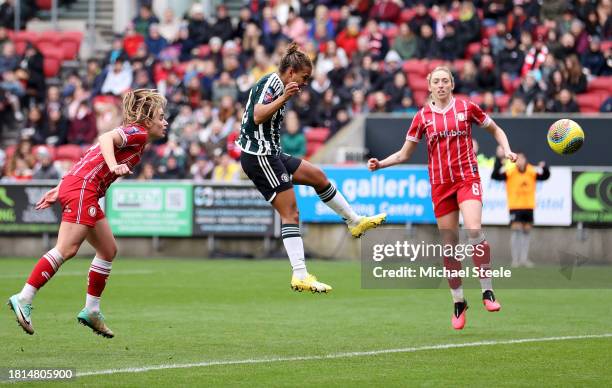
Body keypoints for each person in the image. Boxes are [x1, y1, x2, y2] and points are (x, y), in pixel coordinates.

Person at [7, 89, 168, 338]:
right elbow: (105, 138)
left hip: (82, 187)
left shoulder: (140, 139)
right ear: (147, 121)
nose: (165, 121)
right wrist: (114, 165)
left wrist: (61, 187)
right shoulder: (139, 132)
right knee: (67, 249)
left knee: (107, 249)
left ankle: (91, 310)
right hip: (84, 188)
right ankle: (24, 297)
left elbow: (90, 156)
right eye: (161, 116)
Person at [367, 66, 517, 330]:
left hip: (466, 179)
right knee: (449, 246)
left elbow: (497, 130)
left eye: (445, 80)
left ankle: (487, 291)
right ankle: (459, 302)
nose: (440, 85)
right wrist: (381, 164)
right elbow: (404, 154)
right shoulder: (422, 117)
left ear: (452, 83)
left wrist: (507, 149)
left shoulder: (467, 108)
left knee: (473, 229)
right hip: (440, 186)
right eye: (436, 81)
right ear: (429, 86)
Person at [237, 42, 386, 293]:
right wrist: (285, 97)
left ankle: (354, 221)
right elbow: (257, 115)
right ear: (292, 71)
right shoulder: (273, 83)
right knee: (291, 213)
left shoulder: (278, 84)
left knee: (318, 176)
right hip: (259, 155)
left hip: (271, 152)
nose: (306, 82)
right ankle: (300, 274)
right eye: (304, 77)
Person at [491, 150, 550, 267]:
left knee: (526, 231)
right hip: (515, 206)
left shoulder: (531, 171)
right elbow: (495, 176)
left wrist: (546, 168)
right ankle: (515, 259)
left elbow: (545, 176)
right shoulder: (510, 172)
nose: (520, 161)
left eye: (522, 158)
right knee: (516, 230)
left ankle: (524, 259)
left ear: (525, 159)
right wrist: (499, 162)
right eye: (518, 159)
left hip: (528, 206)